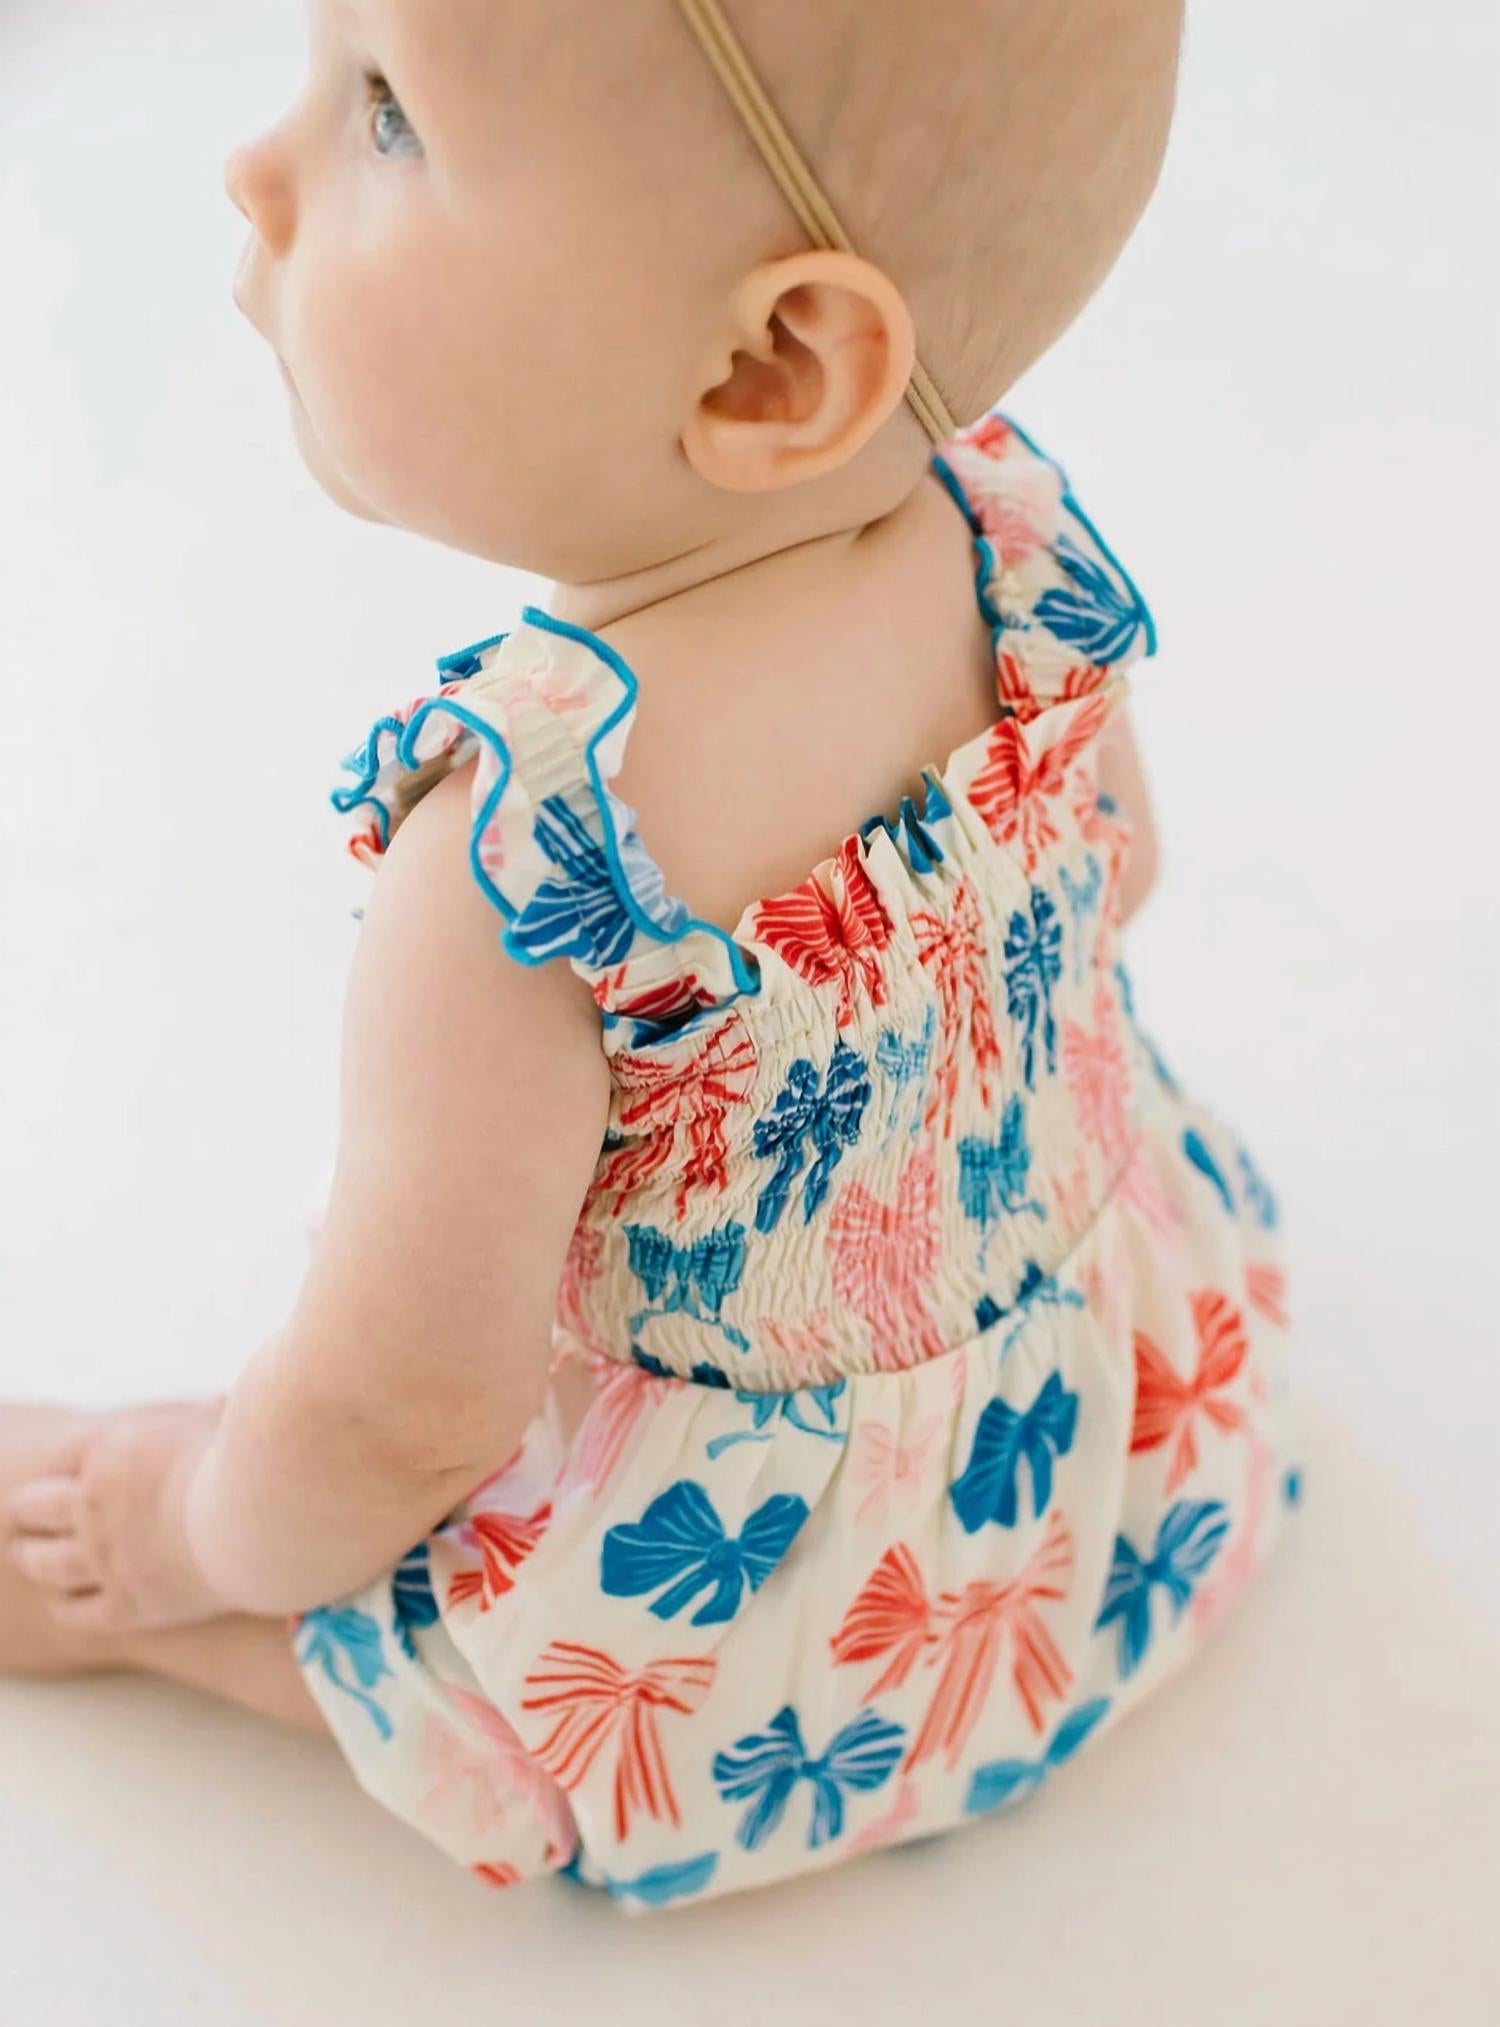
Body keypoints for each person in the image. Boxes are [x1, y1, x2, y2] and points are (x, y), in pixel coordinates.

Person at [1, 0, 1296, 1908]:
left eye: (387, 115)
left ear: (771, 369)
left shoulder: (530, 862)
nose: (255, 169)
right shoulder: (1017, 545)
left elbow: (400, 1409)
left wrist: (183, 1530)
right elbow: (1127, 871)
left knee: (277, 1553)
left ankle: (155, 1610)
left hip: (745, 1663)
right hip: (1140, 1459)